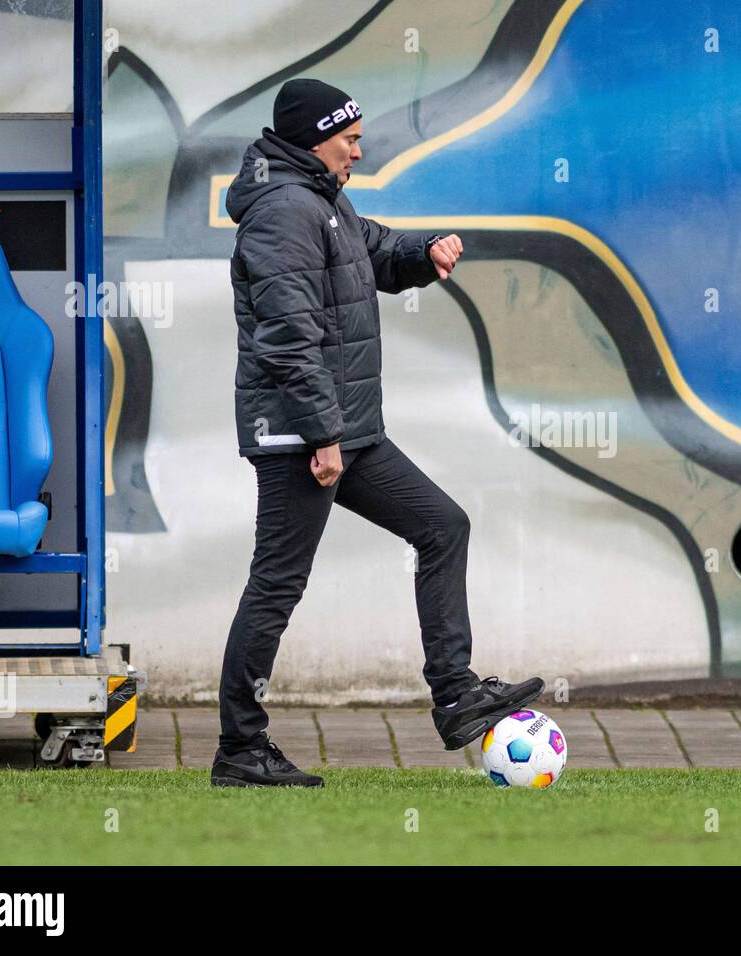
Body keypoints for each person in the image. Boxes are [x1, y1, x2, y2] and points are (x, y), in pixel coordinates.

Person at [212, 78, 543, 788]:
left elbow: (375, 253)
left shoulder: (324, 201)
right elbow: (287, 336)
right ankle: (241, 749)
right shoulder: (281, 213)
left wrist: (427, 254)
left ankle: (455, 697)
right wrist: (322, 435)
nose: (359, 151)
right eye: (349, 139)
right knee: (277, 586)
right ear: (313, 140)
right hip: (304, 438)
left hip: (344, 429)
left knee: (442, 527)